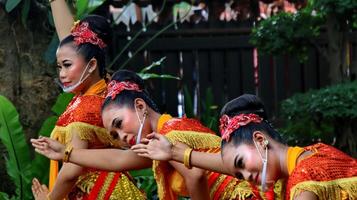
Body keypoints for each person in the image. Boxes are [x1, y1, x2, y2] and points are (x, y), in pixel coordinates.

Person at [32, 72, 283, 200]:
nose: (121, 136)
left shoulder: (169, 131)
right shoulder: (158, 141)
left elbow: (195, 176)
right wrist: (65, 153)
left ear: (140, 107)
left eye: (119, 124)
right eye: (114, 134)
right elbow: (118, 160)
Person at [132, 94, 357, 200]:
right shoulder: (313, 153)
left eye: (241, 164)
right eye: (238, 174)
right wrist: (176, 153)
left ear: (260, 141)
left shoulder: (305, 181)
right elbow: (228, 165)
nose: (246, 177)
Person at [31, 4, 145, 199]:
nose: (62, 74)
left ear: (91, 65)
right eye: (59, 67)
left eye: (67, 66)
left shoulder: (86, 107)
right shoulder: (107, 87)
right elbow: (72, 48)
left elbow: (71, 171)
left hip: (98, 192)